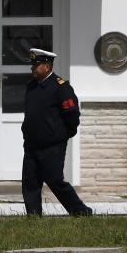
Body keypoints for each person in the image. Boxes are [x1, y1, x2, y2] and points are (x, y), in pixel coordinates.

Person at [21, 47, 93, 217]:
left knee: (55, 181)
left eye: (36, 65)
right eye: (32, 65)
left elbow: (72, 115)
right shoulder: (31, 86)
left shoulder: (61, 87)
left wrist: (63, 135)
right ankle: (34, 217)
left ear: (47, 66)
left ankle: (81, 212)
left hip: (52, 146)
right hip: (32, 144)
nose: (32, 68)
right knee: (30, 182)